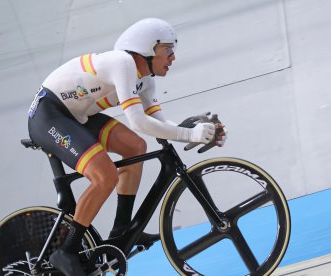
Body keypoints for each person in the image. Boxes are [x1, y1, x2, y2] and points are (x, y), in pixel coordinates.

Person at [27, 18, 227, 276]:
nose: (173, 57)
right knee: (105, 175)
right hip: (50, 115)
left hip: (77, 116)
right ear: (146, 49)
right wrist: (190, 135)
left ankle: (121, 232)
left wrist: (200, 132)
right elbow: (138, 120)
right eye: (167, 50)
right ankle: (65, 250)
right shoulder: (122, 63)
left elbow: (159, 122)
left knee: (136, 146)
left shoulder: (145, 80)